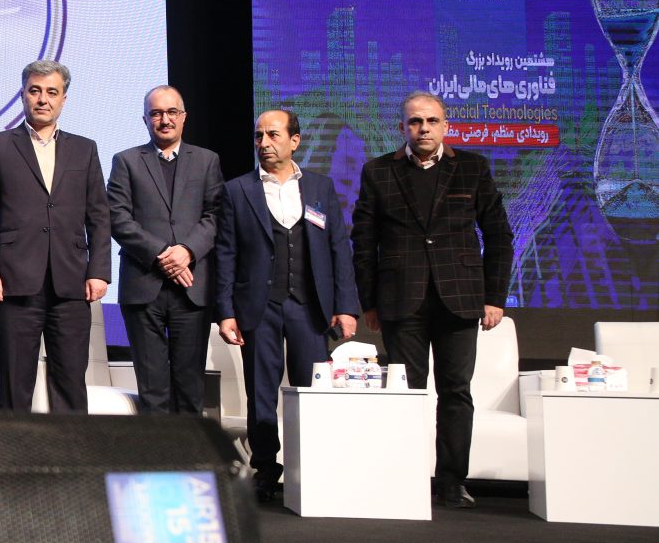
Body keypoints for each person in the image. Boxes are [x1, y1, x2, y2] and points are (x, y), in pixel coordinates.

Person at [353, 90, 513, 509]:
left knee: (456, 392)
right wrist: (368, 302)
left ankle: (451, 482)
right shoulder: (378, 171)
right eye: (415, 122)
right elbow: (364, 242)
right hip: (400, 299)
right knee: (406, 392)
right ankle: (405, 477)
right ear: (401, 127)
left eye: (431, 121)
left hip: (460, 297)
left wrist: (494, 296)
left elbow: (498, 234)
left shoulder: (472, 167)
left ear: (445, 126)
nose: (423, 128)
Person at [214, 109, 358, 502]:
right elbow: (225, 254)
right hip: (258, 306)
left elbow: (338, 249)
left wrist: (346, 305)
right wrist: (225, 311)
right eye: (258, 135)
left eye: (273, 135)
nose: (264, 143)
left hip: (308, 306)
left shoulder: (319, 187)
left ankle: (312, 466)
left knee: (312, 391)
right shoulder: (237, 190)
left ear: (295, 140)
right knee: (261, 393)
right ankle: (265, 468)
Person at [0, 60, 110, 412]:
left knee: (70, 383)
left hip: (71, 282)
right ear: (23, 95)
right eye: (35, 91)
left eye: (51, 92)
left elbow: (99, 216)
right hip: (15, 281)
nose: (43, 99)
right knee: (15, 385)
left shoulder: (85, 148)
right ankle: (17, 450)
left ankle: (68, 450)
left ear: (64, 98)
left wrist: (99, 271)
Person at [107, 85, 224, 414]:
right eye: (156, 113)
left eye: (172, 112)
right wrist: (162, 254)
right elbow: (117, 217)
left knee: (190, 387)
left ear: (184, 117)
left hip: (192, 286)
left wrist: (187, 250)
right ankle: (157, 449)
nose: (165, 119)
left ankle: (190, 450)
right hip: (144, 286)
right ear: (145, 120)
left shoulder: (207, 161)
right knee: (152, 390)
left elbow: (216, 214)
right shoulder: (126, 161)